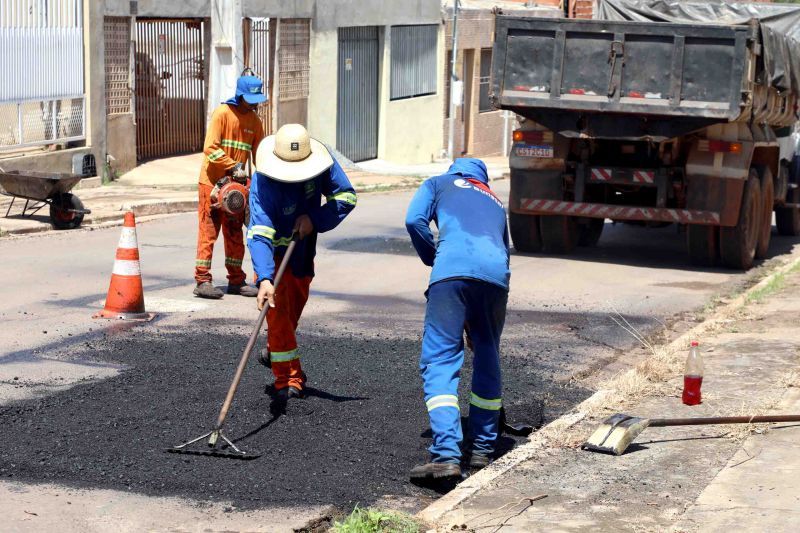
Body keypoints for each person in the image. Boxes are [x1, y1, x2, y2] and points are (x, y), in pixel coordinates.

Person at [405, 158, 511, 483]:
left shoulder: (438, 183)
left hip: (451, 273)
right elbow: (504, 251)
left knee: (440, 360)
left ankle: (446, 456)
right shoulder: (495, 202)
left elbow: (414, 221)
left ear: (455, 171)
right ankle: (481, 449)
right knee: (487, 355)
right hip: (495, 279)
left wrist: (432, 257)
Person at [248, 124, 357, 401]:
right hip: (273, 254)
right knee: (278, 312)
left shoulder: (323, 164)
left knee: (291, 313)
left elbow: (346, 197)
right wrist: (264, 278)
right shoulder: (263, 183)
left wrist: (315, 220)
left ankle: (275, 351)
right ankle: (288, 380)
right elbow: (259, 233)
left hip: (303, 249)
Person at [194, 75, 266, 299]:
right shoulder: (222, 114)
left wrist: (262, 180)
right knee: (209, 230)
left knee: (234, 233)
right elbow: (210, 148)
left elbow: (259, 155)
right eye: (250, 99)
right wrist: (233, 165)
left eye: (256, 99)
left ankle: (236, 280)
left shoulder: (255, 121)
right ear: (240, 96)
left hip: (236, 189)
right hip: (212, 184)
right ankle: (202, 280)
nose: (254, 104)